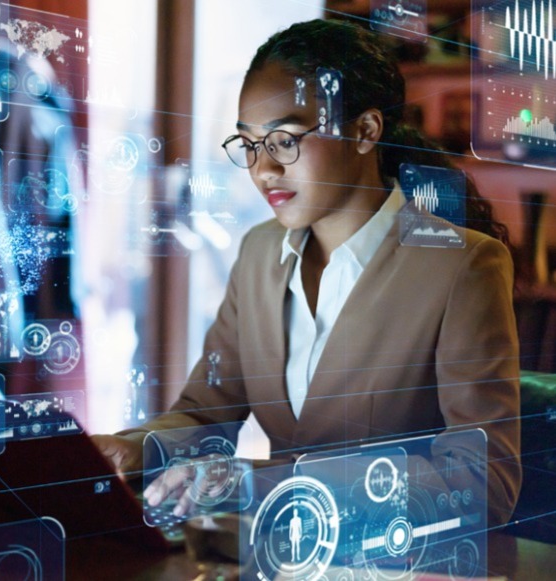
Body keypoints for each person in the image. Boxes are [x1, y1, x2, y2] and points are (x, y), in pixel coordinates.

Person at [92, 18, 521, 527]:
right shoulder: (258, 253)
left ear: (364, 132)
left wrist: (259, 484)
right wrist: (131, 449)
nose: (263, 169)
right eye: (250, 144)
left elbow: (482, 481)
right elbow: (207, 411)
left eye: (286, 140)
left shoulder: (462, 266)